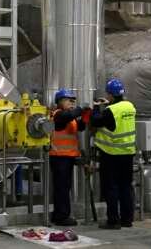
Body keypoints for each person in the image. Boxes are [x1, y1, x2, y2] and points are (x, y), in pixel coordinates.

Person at [91, 78, 137, 230]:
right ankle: (127, 220)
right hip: (128, 153)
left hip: (111, 154)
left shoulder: (110, 111)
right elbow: (118, 116)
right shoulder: (130, 106)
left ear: (110, 95)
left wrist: (96, 108)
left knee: (111, 187)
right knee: (126, 186)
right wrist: (108, 104)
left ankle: (113, 221)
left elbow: (96, 121)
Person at [50, 88, 86, 227]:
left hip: (67, 157)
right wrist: (80, 109)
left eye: (73, 101)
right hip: (59, 157)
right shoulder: (58, 114)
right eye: (68, 100)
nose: (71, 103)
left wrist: (86, 114)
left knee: (64, 187)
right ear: (59, 102)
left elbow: (80, 127)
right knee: (62, 188)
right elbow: (66, 118)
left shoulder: (70, 117)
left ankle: (60, 213)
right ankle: (62, 216)